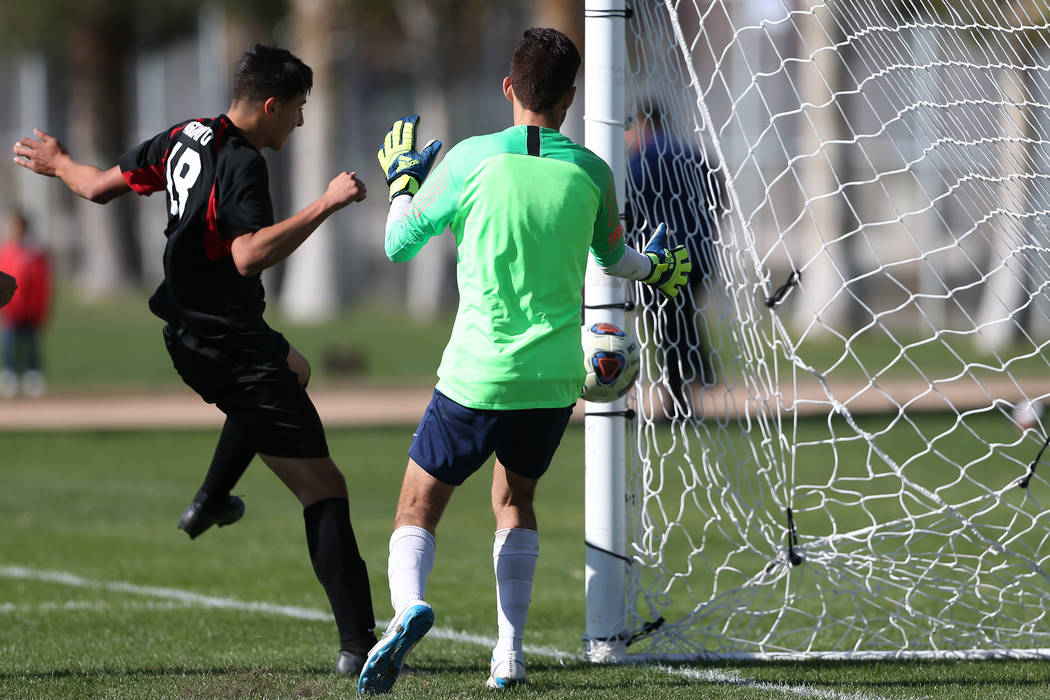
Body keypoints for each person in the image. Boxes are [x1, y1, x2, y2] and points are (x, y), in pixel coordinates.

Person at [12, 43, 377, 675]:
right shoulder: (243, 164)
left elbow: (98, 187)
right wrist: (327, 202)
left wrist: (60, 162)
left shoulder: (185, 136)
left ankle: (211, 499)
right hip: (230, 346)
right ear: (270, 104)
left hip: (187, 333)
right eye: (297, 109)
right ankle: (360, 647)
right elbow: (247, 254)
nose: (299, 121)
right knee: (326, 488)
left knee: (298, 369)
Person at [357, 28, 691, 695]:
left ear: (509, 88)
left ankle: (406, 610)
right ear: (571, 97)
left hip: (477, 374)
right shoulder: (594, 170)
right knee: (516, 501)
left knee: (416, 508)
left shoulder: (472, 160)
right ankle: (508, 652)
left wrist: (401, 183)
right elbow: (616, 262)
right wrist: (657, 267)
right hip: (553, 379)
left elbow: (397, 244)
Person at [626, 100, 720, 411]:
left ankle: (679, 397)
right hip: (698, 253)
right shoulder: (692, 153)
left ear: (642, 123)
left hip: (663, 261)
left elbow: (628, 202)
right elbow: (717, 195)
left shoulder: (642, 157)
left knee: (667, 327)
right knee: (682, 318)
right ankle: (698, 376)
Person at [0, 209, 52, 398]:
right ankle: (9, 374)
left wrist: (41, 310)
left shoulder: (34, 254)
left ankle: (33, 375)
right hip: (10, 310)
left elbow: (41, 284)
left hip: (30, 310)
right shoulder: (6, 252)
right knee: (9, 344)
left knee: (31, 345)